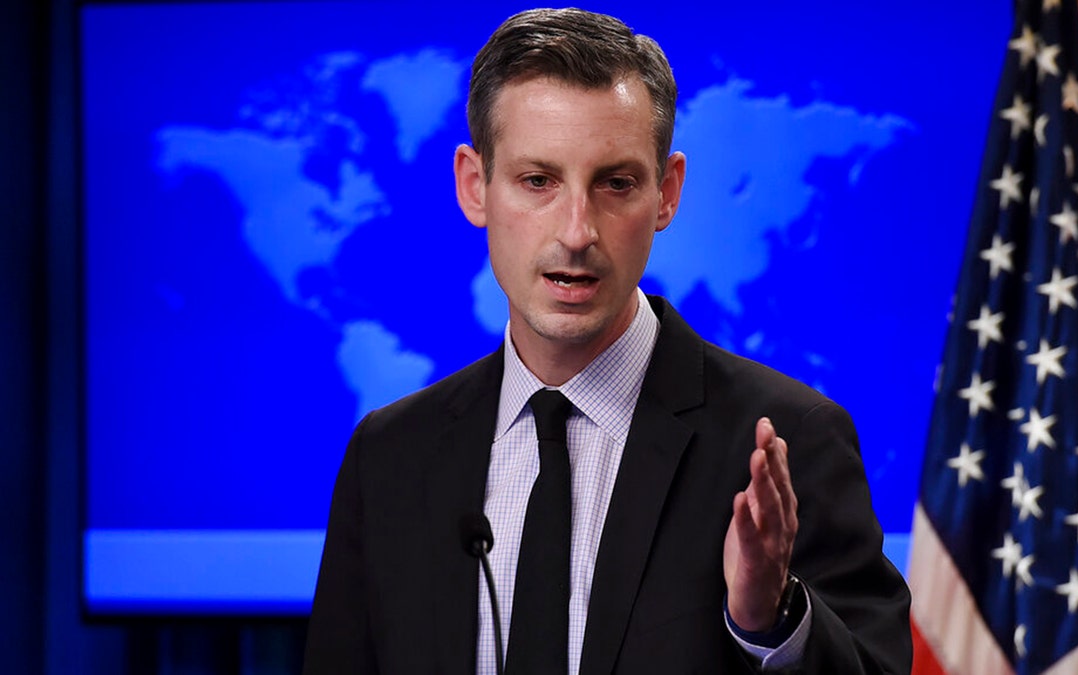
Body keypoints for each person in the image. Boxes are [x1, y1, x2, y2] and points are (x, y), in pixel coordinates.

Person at [303, 8, 911, 674]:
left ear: (666, 194)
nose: (576, 231)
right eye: (538, 181)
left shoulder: (786, 441)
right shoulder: (389, 458)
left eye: (615, 183)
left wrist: (773, 621)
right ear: (474, 186)